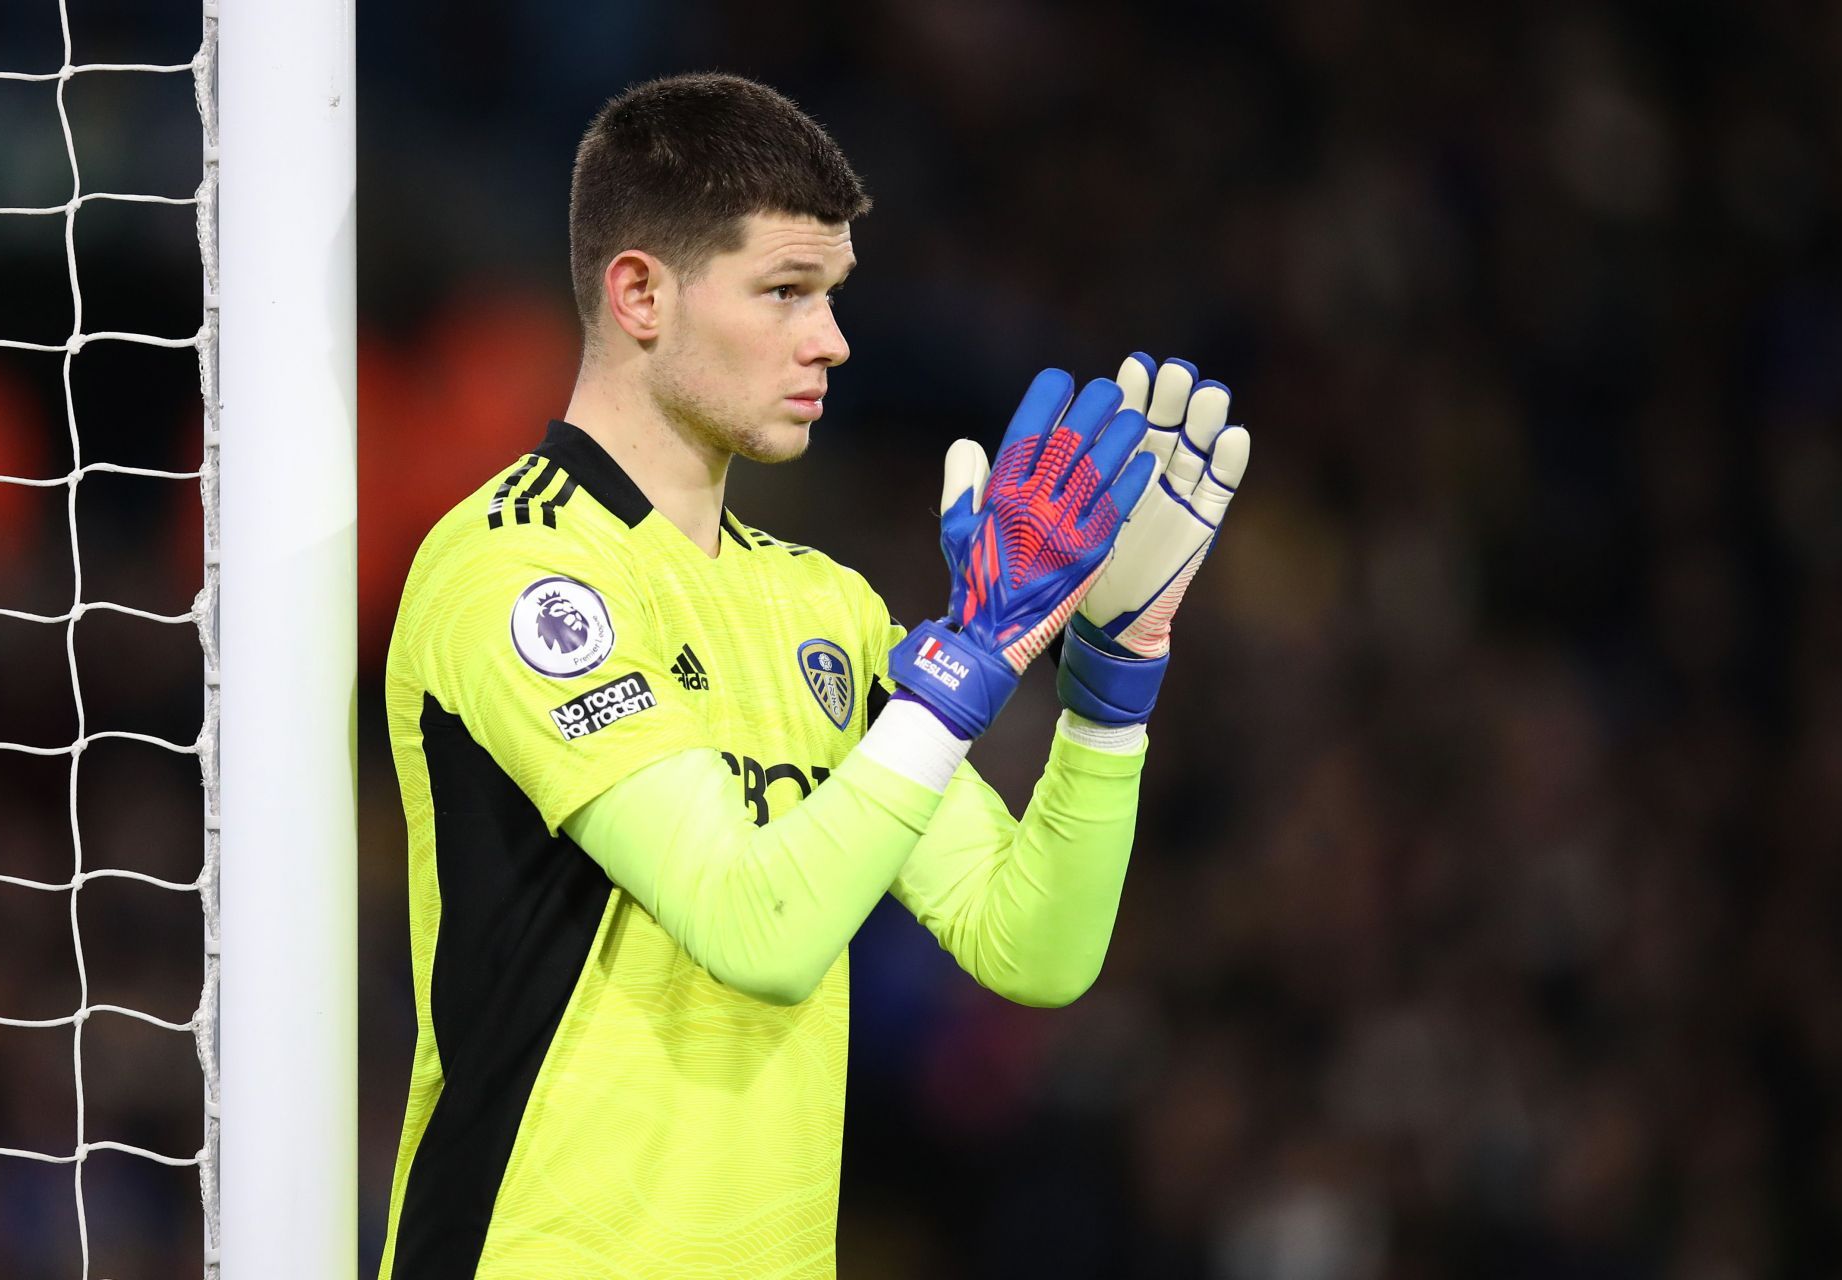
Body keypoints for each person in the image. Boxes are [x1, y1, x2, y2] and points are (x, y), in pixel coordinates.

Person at [375, 72, 1250, 1279]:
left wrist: (1110, 677)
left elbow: (1031, 944)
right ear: (639, 293)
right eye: (785, 291)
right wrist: (972, 657)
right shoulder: (515, 570)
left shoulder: (820, 605)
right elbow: (757, 923)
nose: (830, 338)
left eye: (832, 295)